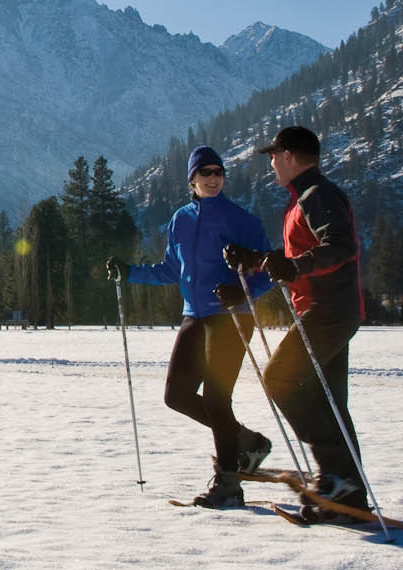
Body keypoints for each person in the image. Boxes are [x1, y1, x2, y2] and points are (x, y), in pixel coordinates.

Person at [106, 145, 274, 509]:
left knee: (216, 399)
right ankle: (246, 441)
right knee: (175, 395)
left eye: (218, 172)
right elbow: (171, 269)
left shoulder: (242, 220)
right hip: (193, 314)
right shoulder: (180, 220)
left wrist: (241, 289)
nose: (213, 178)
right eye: (206, 173)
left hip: (232, 316)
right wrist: (129, 272)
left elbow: (269, 271)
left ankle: (229, 483)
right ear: (192, 180)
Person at [223, 125, 368, 521]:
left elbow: (339, 247)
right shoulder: (304, 197)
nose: (270, 163)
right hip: (329, 308)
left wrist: (294, 265)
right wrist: (255, 261)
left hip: (327, 310)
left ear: (289, 155)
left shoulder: (316, 195)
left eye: (273, 156)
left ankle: (337, 475)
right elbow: (295, 259)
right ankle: (347, 491)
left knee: (280, 378)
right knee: (330, 399)